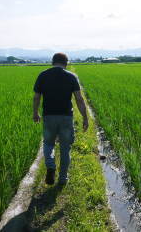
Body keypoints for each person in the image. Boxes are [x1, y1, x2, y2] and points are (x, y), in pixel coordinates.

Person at [33, 53, 89, 185]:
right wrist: (85, 118)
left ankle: (51, 166)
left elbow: (36, 97)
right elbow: (79, 99)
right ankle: (63, 178)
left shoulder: (43, 75)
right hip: (66, 117)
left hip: (48, 116)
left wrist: (35, 113)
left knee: (48, 144)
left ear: (52, 62)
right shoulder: (71, 76)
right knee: (65, 148)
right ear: (66, 62)